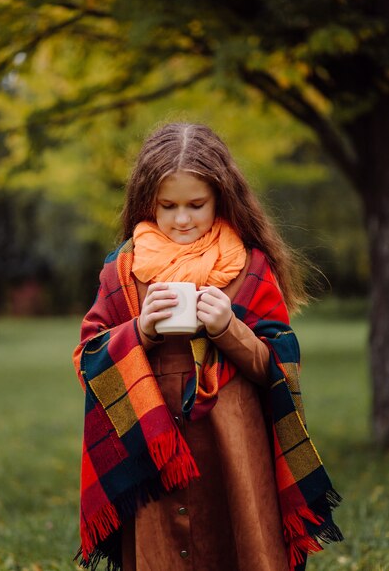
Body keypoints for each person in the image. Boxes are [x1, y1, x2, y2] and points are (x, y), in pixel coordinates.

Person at [72, 123, 343, 571]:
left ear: (220, 197)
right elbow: (88, 358)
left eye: (196, 204)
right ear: (147, 203)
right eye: (168, 206)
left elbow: (278, 366)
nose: (182, 219)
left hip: (233, 444)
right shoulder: (123, 268)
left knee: (238, 541)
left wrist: (228, 328)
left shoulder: (249, 265)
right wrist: (141, 331)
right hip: (152, 450)